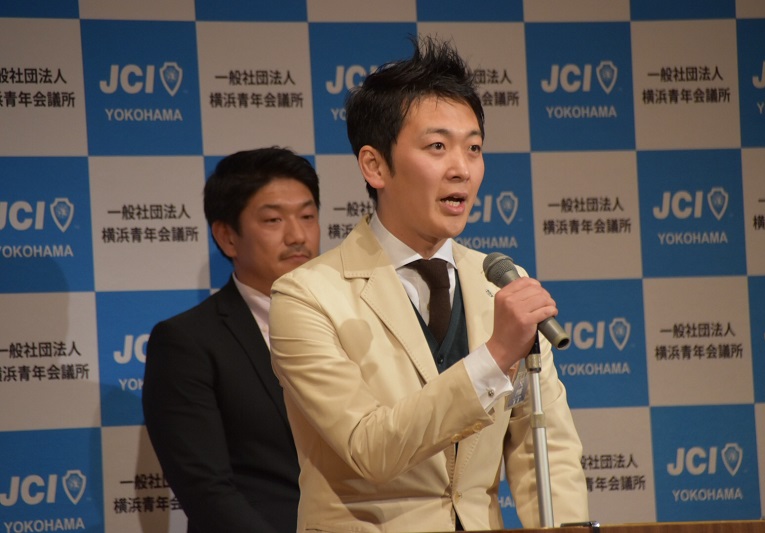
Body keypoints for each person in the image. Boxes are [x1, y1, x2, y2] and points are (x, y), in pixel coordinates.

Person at [268, 36, 589, 532]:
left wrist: (565, 527)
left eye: (474, 148)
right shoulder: (306, 295)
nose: (462, 169)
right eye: (437, 147)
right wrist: (494, 356)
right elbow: (369, 447)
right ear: (375, 166)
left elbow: (544, 445)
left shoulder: (503, 284)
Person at [142, 147, 321, 533]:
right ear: (227, 238)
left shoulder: (354, 322)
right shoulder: (187, 342)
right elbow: (206, 492)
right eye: (273, 220)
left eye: (308, 216)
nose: (298, 236)